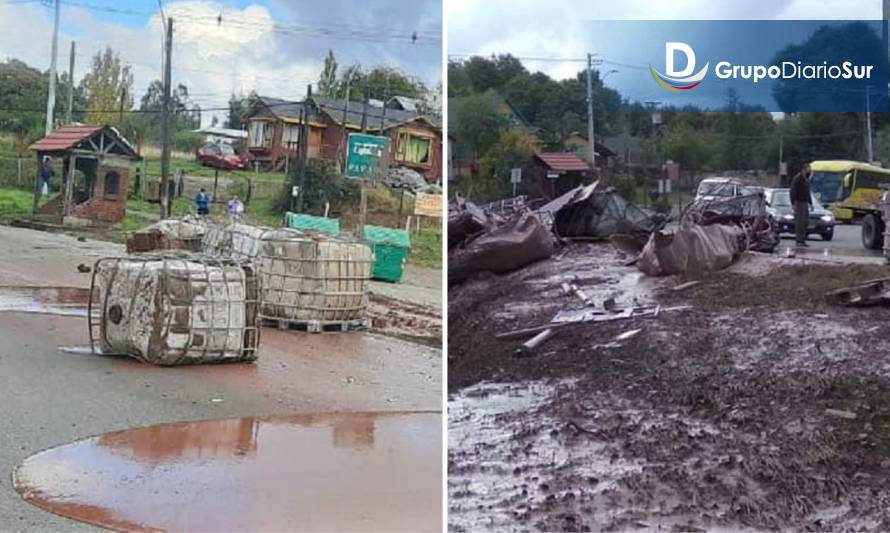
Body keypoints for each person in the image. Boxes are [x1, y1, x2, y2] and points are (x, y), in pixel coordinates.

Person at [789, 162, 813, 247]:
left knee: (805, 222)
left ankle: (803, 239)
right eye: (808, 169)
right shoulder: (798, 178)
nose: (810, 171)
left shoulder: (806, 179)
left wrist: (810, 203)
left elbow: (808, 192)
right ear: (804, 170)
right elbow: (793, 191)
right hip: (799, 202)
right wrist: (793, 203)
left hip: (805, 202)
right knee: (799, 222)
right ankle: (799, 240)